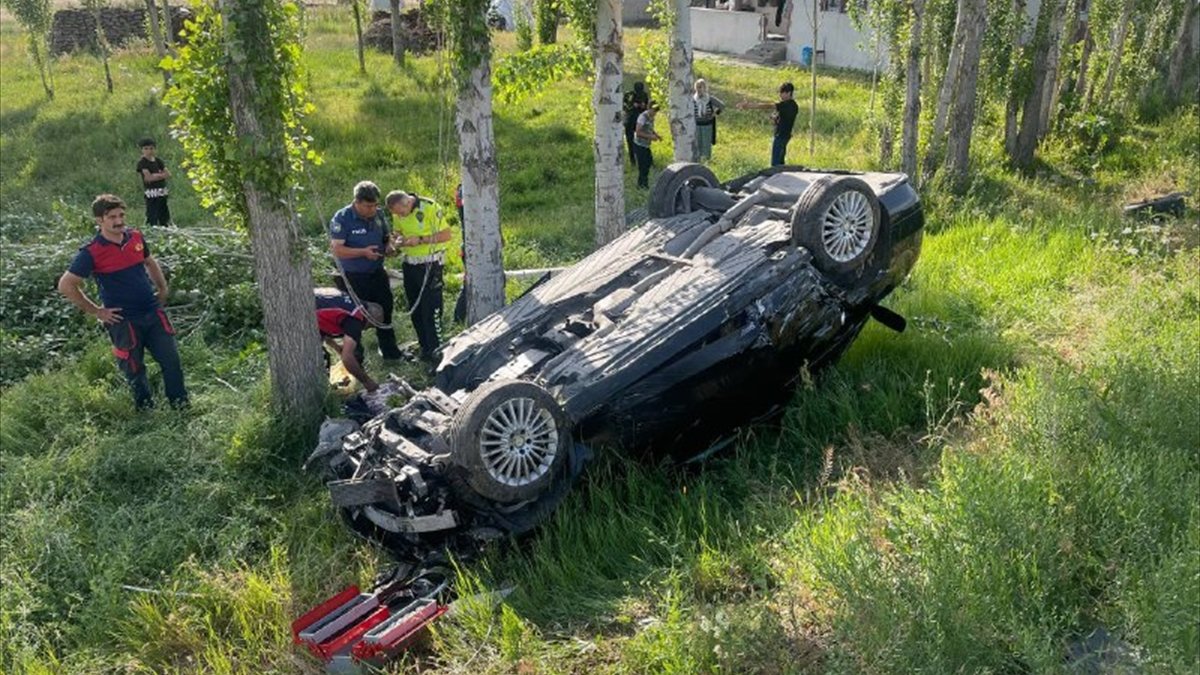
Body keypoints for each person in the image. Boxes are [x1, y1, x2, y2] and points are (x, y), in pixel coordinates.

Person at [57, 194, 188, 410]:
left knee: (172, 362)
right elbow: (66, 285)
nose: (119, 221)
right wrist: (97, 311)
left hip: (153, 313)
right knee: (134, 369)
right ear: (99, 220)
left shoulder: (135, 237)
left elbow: (149, 261)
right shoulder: (91, 252)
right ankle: (145, 412)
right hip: (124, 321)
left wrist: (162, 289)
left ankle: (181, 407)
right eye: (112, 217)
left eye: (121, 215)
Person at [330, 180, 403, 360]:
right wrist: (362, 252)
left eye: (375, 205)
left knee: (386, 310)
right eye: (368, 206)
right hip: (352, 277)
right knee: (354, 318)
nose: (372, 209)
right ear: (357, 202)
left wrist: (389, 247)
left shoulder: (378, 215)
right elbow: (337, 250)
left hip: (377, 273)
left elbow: (386, 237)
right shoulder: (342, 218)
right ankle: (356, 358)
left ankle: (390, 353)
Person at [386, 190, 452, 364]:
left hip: (430, 264)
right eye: (396, 214)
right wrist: (398, 240)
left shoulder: (429, 207)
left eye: (401, 212)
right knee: (416, 309)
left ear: (407, 203)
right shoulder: (398, 212)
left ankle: (438, 353)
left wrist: (421, 239)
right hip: (410, 264)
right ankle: (425, 349)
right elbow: (397, 232)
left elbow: (446, 235)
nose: (399, 216)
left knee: (432, 311)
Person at [315, 288, 382, 392]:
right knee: (321, 359)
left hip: (310, 306)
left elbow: (325, 322)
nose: (364, 330)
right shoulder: (355, 319)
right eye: (369, 326)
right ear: (369, 318)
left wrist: (336, 347)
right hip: (301, 313)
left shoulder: (350, 300)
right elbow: (347, 358)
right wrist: (367, 382)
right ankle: (318, 394)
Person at [738, 82, 799, 166]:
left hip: (780, 136)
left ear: (789, 93)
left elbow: (767, 106)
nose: (780, 95)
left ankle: (776, 178)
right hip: (785, 135)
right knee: (781, 162)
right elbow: (783, 120)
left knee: (775, 164)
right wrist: (775, 119)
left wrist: (749, 106)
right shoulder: (793, 105)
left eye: (782, 93)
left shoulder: (786, 105)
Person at [136, 138, 171, 227]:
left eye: (151, 148)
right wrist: (160, 175)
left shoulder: (158, 161)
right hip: (151, 192)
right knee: (152, 213)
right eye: (146, 148)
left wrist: (155, 175)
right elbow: (148, 178)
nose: (149, 151)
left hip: (162, 191)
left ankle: (165, 228)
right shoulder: (142, 163)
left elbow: (168, 174)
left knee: (164, 212)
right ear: (142, 150)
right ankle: (151, 229)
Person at [692, 79, 725, 161]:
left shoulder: (709, 99)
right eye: (697, 87)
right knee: (697, 143)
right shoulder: (693, 99)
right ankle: (697, 160)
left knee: (706, 143)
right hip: (696, 124)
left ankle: (707, 160)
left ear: (704, 88)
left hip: (707, 124)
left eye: (700, 87)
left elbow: (722, 106)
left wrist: (715, 113)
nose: (698, 90)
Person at [633, 102, 663, 189]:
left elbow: (650, 128)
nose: (655, 113)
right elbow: (638, 132)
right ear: (649, 108)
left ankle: (644, 183)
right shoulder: (642, 117)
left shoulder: (651, 118)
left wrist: (656, 135)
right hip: (639, 145)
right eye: (654, 111)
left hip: (646, 145)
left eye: (656, 112)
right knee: (642, 166)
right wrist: (650, 137)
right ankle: (641, 185)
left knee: (648, 163)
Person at [623, 82, 649, 166]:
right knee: (630, 141)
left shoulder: (644, 95)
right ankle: (632, 160)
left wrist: (643, 106)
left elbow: (646, 108)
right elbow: (625, 107)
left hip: (639, 121)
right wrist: (632, 105)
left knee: (641, 142)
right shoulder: (629, 95)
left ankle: (643, 159)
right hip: (630, 120)